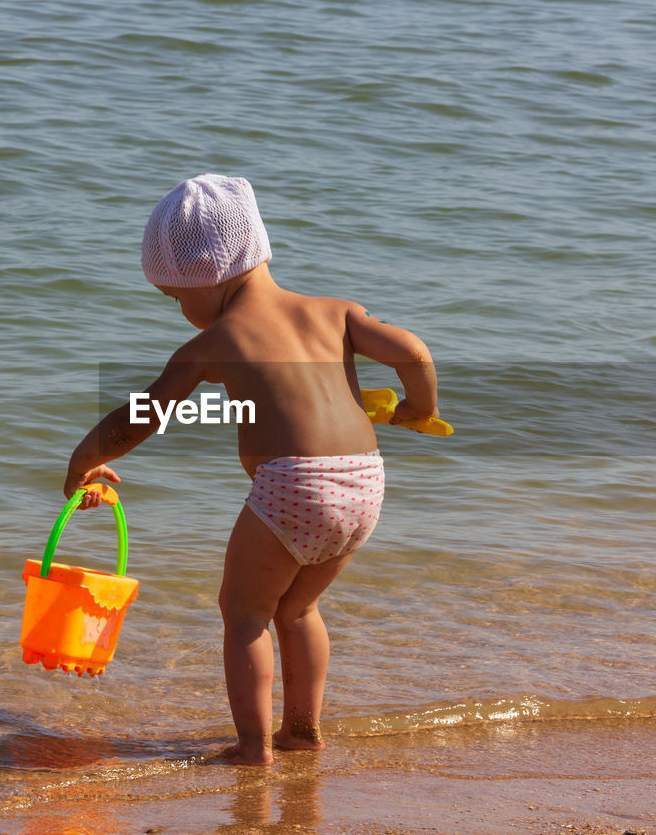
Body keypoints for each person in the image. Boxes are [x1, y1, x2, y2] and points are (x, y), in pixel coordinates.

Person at [63, 174, 440, 765]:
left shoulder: (217, 342)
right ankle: (303, 731)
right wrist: (420, 408)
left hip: (294, 489)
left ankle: (251, 747)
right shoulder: (337, 311)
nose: (181, 310)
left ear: (203, 278)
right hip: (364, 482)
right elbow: (414, 352)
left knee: (244, 616)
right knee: (299, 610)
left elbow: (138, 419)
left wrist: (84, 462)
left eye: (175, 296)